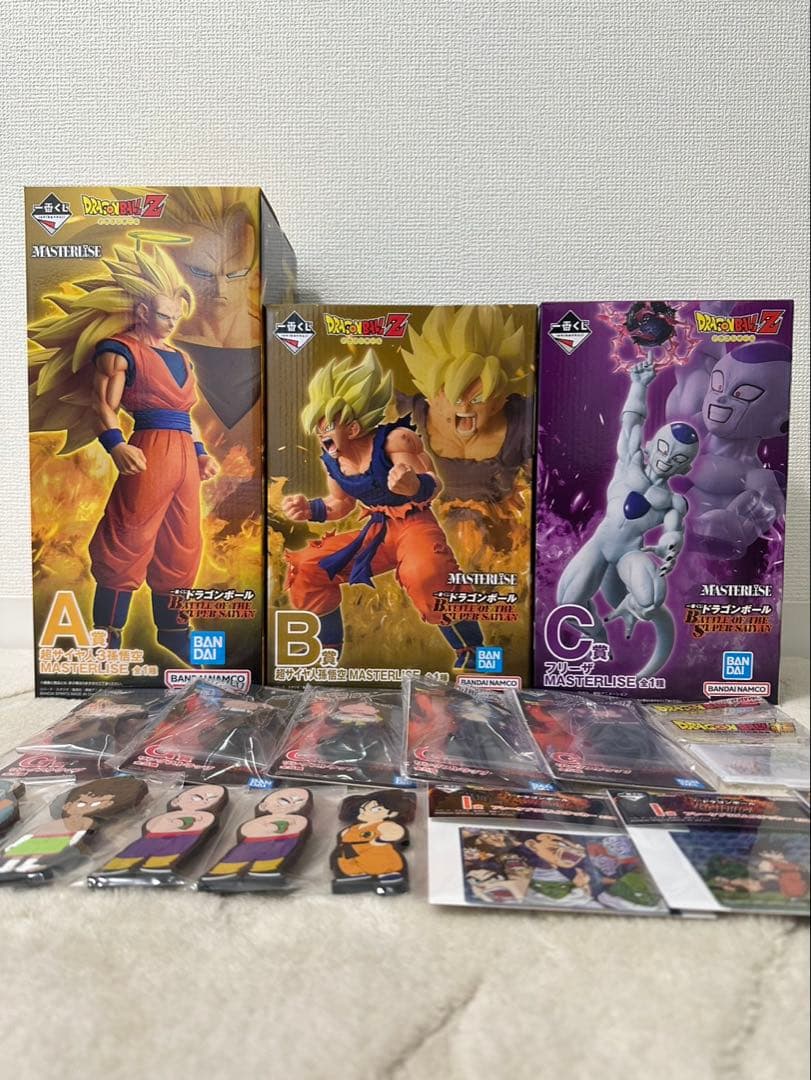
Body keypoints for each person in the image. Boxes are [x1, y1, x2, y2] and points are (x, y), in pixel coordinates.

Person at [28, 243, 218, 662]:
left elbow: (186, 413)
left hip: (184, 454)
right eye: (163, 316)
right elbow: (103, 405)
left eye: (175, 317)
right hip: (148, 449)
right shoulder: (119, 350)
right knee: (128, 536)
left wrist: (201, 452)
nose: (170, 324)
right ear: (143, 311)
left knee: (183, 542)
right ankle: (107, 634)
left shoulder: (181, 357)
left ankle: (174, 631)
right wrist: (116, 445)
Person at [281, 349, 484, 669]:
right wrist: (310, 508)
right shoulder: (334, 461)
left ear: (353, 428)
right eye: (319, 429)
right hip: (378, 530)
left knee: (427, 573)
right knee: (308, 566)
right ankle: (326, 651)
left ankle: (473, 651)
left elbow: (432, 483)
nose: (322, 436)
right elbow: (340, 504)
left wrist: (413, 485)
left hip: (415, 524)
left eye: (328, 426)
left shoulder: (395, 441)